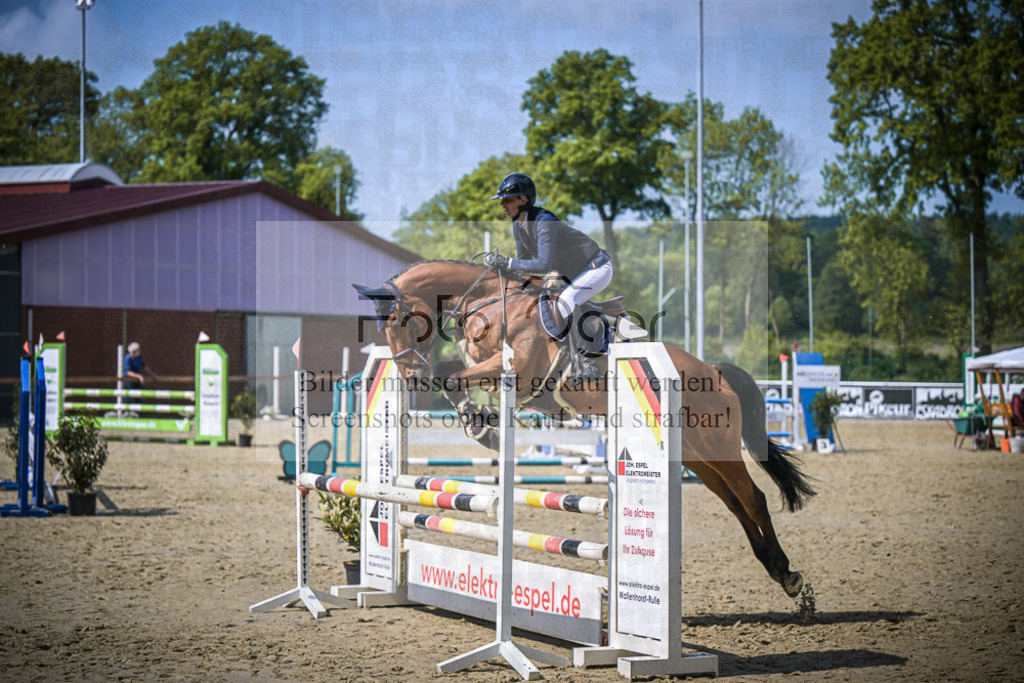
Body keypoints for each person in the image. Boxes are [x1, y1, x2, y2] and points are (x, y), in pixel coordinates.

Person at [486, 173, 613, 380]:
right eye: (502, 200)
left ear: (523, 200)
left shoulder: (544, 221)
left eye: (508, 200)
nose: (502, 204)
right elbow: (524, 264)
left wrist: (508, 262)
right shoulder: (518, 225)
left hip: (596, 267)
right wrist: (502, 269)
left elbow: (543, 264)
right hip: (573, 272)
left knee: (565, 301)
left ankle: (589, 365)